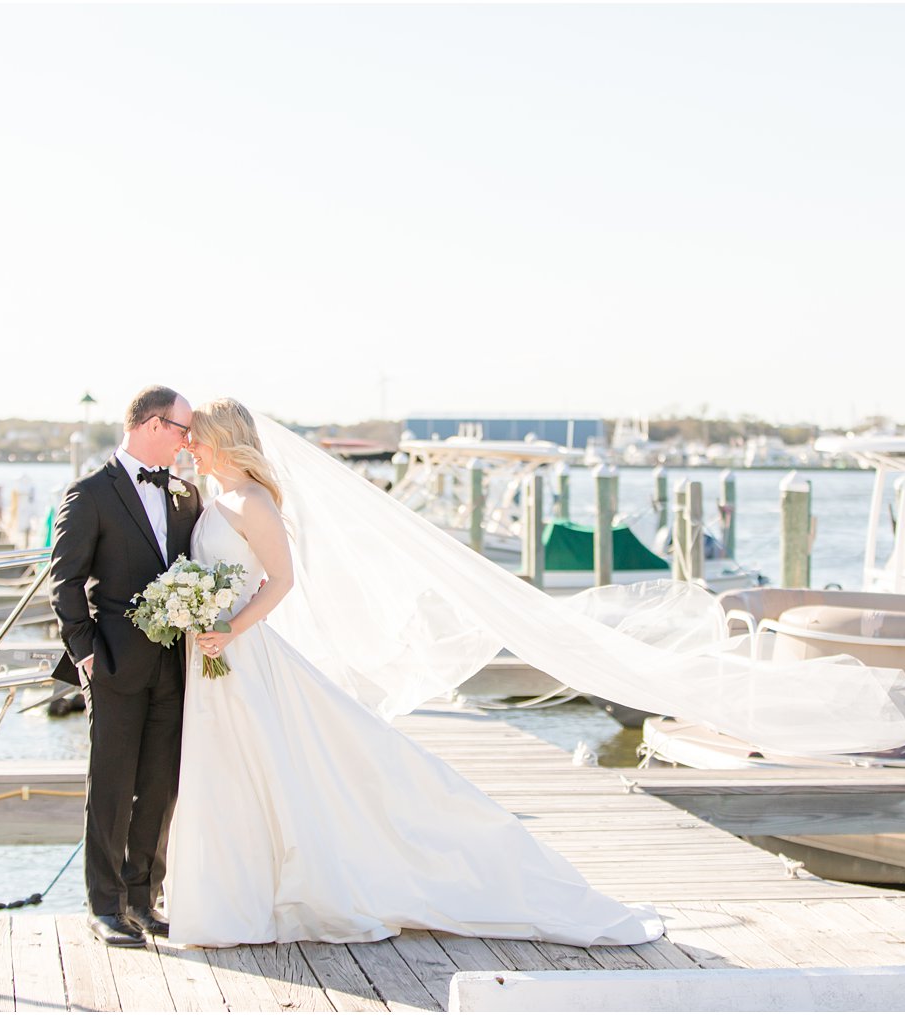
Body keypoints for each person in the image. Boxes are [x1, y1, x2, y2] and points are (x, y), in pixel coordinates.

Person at [164, 398, 665, 947]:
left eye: (196, 438)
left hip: (242, 652)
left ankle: (280, 892)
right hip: (213, 657)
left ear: (223, 440)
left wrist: (230, 629)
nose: (188, 446)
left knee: (273, 765)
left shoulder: (253, 501)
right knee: (227, 773)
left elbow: (279, 582)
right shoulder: (213, 499)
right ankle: (231, 898)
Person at [49, 386, 202, 948]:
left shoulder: (187, 496)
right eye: (183, 430)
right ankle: (105, 905)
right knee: (112, 785)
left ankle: (144, 898)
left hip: (174, 664)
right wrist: (86, 653)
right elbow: (63, 580)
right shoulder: (89, 493)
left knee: (161, 785)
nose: (189, 442)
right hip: (113, 663)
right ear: (152, 424)